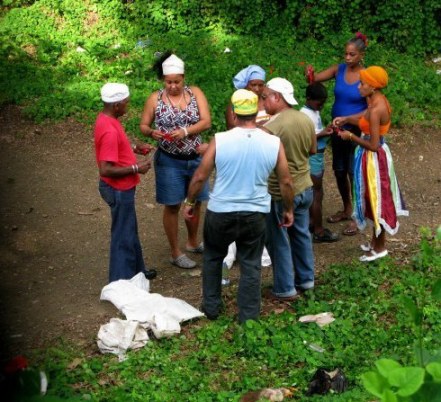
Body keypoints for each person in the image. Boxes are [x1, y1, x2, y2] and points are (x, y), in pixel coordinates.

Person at [182, 89, 294, 323]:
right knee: (251, 263)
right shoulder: (273, 143)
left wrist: (190, 202)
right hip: (255, 213)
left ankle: (211, 307)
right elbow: (285, 180)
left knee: (213, 257)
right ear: (256, 113)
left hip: (221, 211)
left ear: (233, 114)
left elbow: (200, 176)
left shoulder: (220, 140)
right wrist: (288, 209)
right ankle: (248, 316)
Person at [140, 53, 211, 269]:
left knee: (196, 200)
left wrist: (185, 131)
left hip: (195, 158)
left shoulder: (195, 93)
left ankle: (192, 241)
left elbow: (207, 122)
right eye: (168, 82)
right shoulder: (155, 99)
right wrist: (152, 133)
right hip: (169, 160)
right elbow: (143, 125)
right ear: (163, 80)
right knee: (172, 205)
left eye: (176, 81)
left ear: (183, 78)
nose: (172, 86)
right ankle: (175, 251)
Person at [333, 66, 408, 261]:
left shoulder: (377, 109)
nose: (359, 86)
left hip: (374, 158)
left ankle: (380, 247)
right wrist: (348, 119)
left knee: (377, 200)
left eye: (363, 83)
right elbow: (364, 118)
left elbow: (374, 145)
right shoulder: (375, 100)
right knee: (370, 198)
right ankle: (375, 242)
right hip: (368, 156)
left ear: (373, 87)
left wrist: (350, 136)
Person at [94, 83, 157, 283]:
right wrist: (136, 168)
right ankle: (122, 282)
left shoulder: (107, 119)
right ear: (117, 105)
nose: (127, 107)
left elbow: (115, 147)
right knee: (123, 234)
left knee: (129, 228)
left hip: (123, 188)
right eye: (126, 104)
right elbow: (105, 169)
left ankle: (138, 271)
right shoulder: (110, 130)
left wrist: (133, 148)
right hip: (118, 189)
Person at [308, 32, 368, 236]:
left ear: (361, 55)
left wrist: (349, 120)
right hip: (337, 130)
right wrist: (310, 75)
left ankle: (357, 217)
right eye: (346, 54)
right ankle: (347, 208)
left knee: (354, 172)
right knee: (339, 171)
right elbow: (315, 80)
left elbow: (370, 110)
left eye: (352, 55)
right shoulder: (339, 69)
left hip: (355, 131)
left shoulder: (366, 77)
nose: (348, 58)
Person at [263, 77, 317, 300]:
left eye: (266, 97)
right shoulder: (305, 119)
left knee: (279, 240)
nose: (263, 102)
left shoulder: (271, 127)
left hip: (282, 193)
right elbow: (313, 150)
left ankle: (285, 288)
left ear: (277, 97)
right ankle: (306, 279)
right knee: (302, 234)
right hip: (305, 187)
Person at [223, 64, 272, 270]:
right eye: (254, 84)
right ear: (247, 84)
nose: (257, 89)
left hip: (261, 155)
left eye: (261, 85)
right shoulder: (236, 103)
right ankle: (232, 248)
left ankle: (260, 247)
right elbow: (231, 128)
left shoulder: (268, 102)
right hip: (242, 154)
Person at [300, 83, 339, 243]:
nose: (321, 106)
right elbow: (303, 138)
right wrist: (322, 133)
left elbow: (316, 131)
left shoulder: (313, 111)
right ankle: (318, 230)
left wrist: (326, 130)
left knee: (316, 192)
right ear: (309, 99)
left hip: (317, 157)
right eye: (319, 103)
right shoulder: (304, 114)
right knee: (316, 193)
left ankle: (311, 222)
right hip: (313, 158)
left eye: (323, 103)